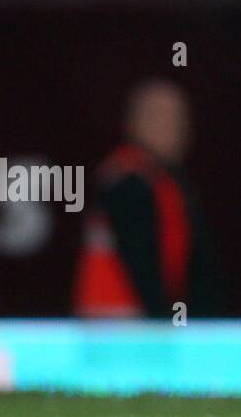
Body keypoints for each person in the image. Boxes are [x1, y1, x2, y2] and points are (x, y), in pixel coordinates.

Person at [73, 80, 218, 318]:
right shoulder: (127, 183)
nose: (176, 128)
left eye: (180, 119)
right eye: (161, 117)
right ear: (135, 123)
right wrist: (163, 323)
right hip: (121, 328)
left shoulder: (164, 182)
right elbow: (142, 267)